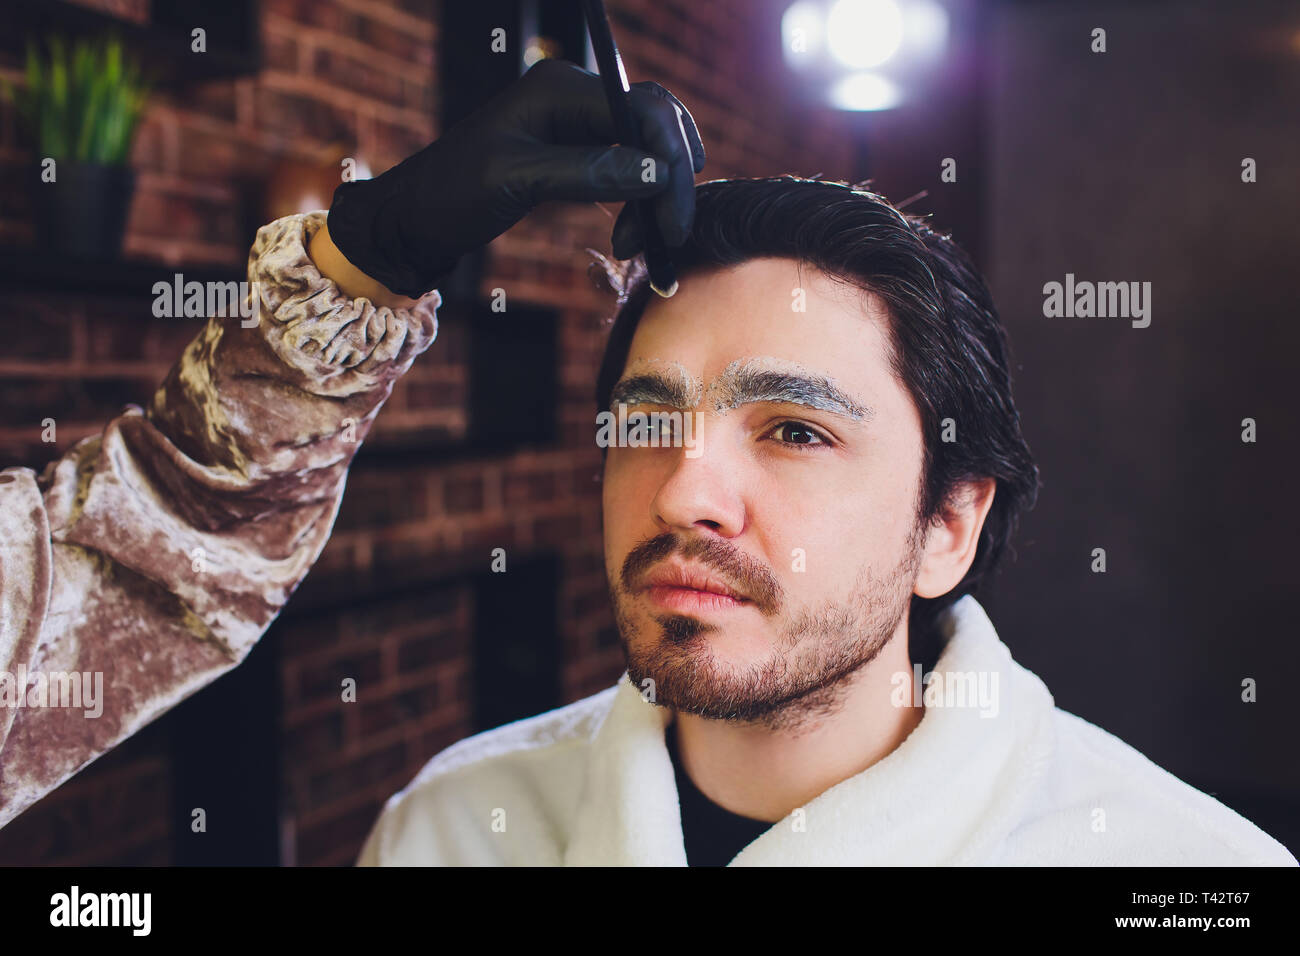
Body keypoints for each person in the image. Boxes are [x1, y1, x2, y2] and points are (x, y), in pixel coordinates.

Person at [0, 58, 701, 832]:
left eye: (796, 432)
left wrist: (370, 256)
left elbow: (156, 535)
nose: (684, 495)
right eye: (646, 424)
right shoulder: (446, 830)